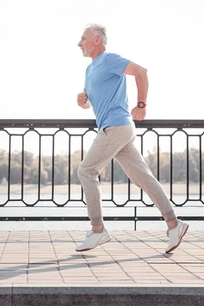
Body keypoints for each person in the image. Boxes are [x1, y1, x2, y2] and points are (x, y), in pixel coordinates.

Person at [75, 23, 188, 253]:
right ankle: (174, 224)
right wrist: (83, 101)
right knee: (143, 178)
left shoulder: (109, 60)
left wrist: (141, 105)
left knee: (86, 171)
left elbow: (141, 72)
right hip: (118, 128)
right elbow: (90, 101)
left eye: (83, 39)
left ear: (97, 39)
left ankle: (98, 230)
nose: (79, 43)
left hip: (115, 126)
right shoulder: (90, 70)